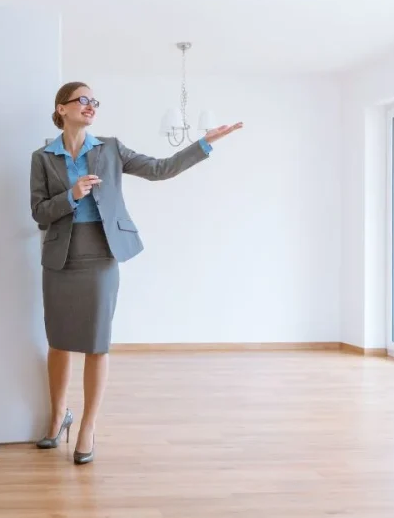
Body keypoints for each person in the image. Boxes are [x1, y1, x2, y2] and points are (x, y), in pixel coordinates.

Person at [29, 81, 243, 464]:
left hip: (101, 252)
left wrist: (204, 143)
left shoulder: (110, 148)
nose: (91, 105)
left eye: (95, 101)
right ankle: (58, 417)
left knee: (96, 342)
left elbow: (160, 169)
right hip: (59, 256)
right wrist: (72, 195)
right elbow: (39, 212)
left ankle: (88, 427)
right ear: (62, 108)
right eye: (83, 100)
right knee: (58, 340)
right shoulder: (43, 157)